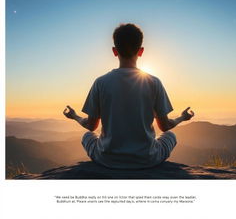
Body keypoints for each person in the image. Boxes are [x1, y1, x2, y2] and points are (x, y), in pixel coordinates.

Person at [63, 23, 194, 169]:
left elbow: (91, 126)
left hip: (107, 159)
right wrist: (183, 117)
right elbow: (165, 127)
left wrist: (74, 116)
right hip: (147, 160)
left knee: (86, 137)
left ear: (114, 51)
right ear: (141, 51)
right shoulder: (154, 82)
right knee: (171, 136)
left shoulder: (100, 83)